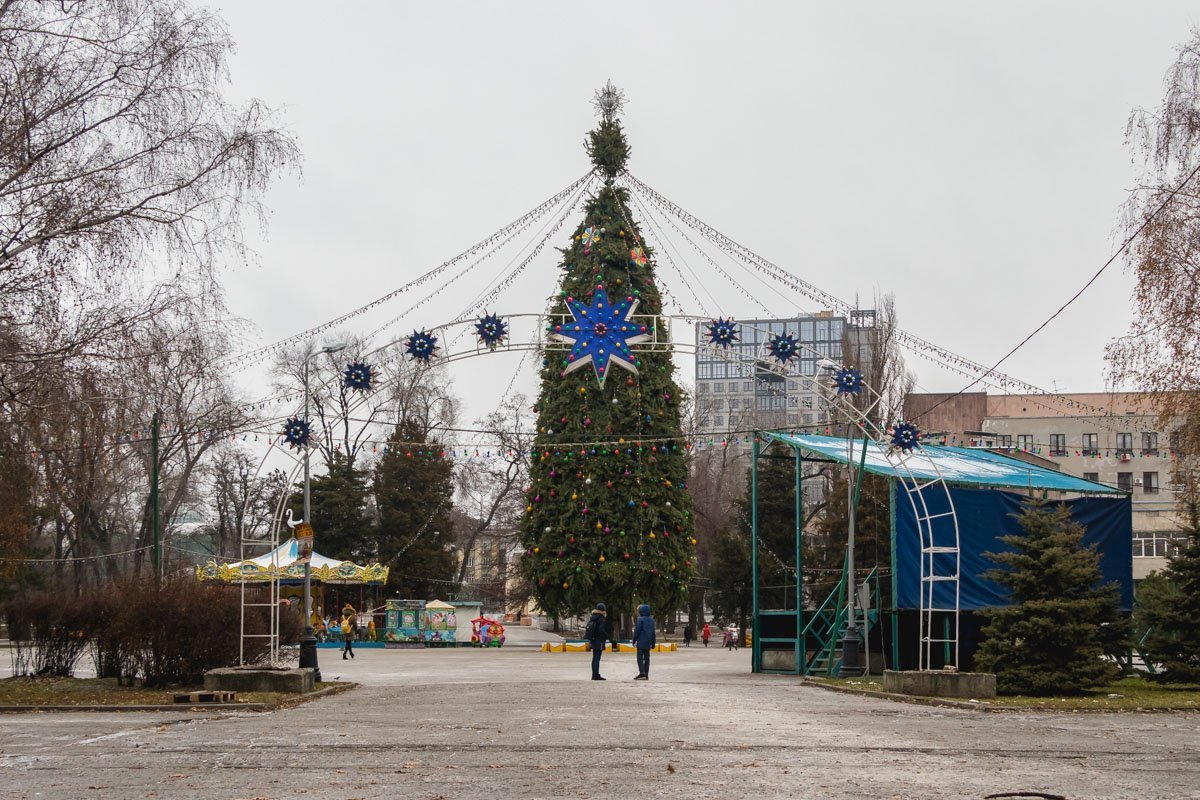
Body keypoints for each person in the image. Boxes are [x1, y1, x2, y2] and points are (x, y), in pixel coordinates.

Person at [585, 602, 608, 680]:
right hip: (599, 640)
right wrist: (606, 636)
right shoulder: (601, 619)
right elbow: (601, 630)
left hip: (593, 639)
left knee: (594, 658)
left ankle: (594, 674)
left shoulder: (593, 617)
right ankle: (596, 675)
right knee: (597, 658)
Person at [632, 603, 656, 680]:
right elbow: (653, 633)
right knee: (647, 658)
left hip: (641, 642)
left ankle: (642, 673)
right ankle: (646, 674)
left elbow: (637, 631)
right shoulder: (651, 620)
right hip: (648, 642)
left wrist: (634, 640)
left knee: (639, 657)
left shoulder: (640, 619)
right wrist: (653, 643)